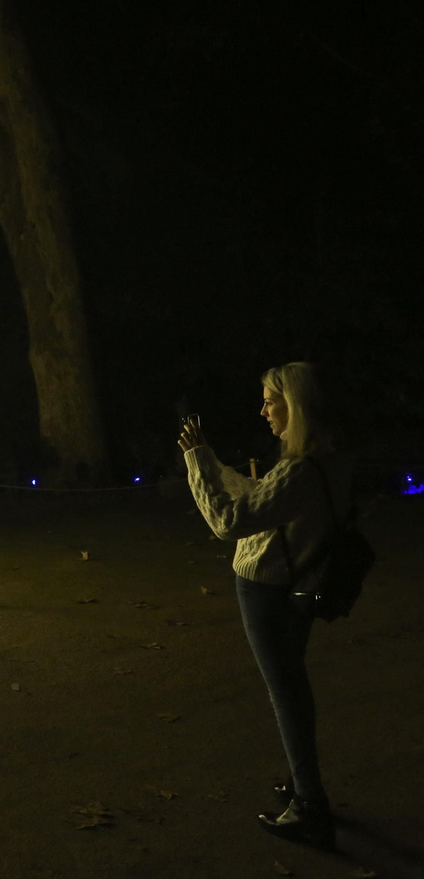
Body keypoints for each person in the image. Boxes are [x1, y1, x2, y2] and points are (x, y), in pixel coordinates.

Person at [180, 362, 350, 851]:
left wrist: (196, 463)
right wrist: (210, 461)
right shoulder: (328, 460)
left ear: (293, 405)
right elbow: (261, 499)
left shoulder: (301, 469)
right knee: (293, 686)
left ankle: (309, 807)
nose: (263, 410)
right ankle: (303, 788)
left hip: (270, 590)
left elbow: (229, 521)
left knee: (287, 693)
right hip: (296, 586)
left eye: (270, 400)